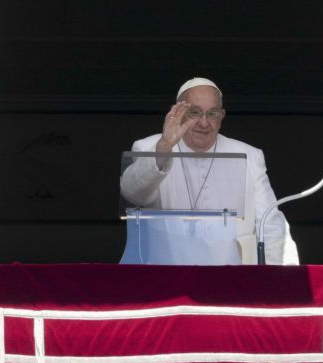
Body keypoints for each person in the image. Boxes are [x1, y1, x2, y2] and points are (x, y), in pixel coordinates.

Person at [120, 77, 298, 265]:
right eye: (194, 113)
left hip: (231, 277)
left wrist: (277, 280)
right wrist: (164, 148)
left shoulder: (249, 155)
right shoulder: (150, 147)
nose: (204, 123)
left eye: (212, 114)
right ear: (178, 112)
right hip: (166, 274)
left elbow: (270, 224)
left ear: (222, 115)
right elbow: (133, 194)